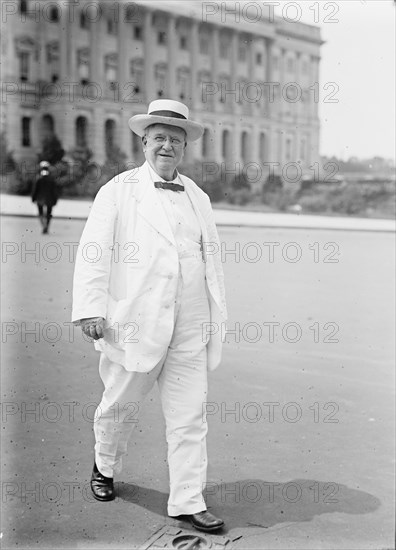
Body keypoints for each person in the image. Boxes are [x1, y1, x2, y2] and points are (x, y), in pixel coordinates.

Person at [71, 99, 227, 533]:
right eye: (159, 138)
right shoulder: (118, 190)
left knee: (190, 415)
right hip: (133, 321)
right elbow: (94, 253)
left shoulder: (197, 196)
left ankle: (188, 500)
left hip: (190, 322)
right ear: (144, 142)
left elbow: (208, 259)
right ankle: (104, 467)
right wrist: (89, 310)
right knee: (120, 405)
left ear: (184, 147)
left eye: (175, 140)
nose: (167, 146)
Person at [31, 160, 58, 234]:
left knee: (40, 213)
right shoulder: (51, 179)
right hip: (50, 199)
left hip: (40, 199)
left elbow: (35, 190)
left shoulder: (38, 179)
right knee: (49, 213)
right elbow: (55, 191)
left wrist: (33, 198)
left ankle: (44, 225)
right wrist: (55, 199)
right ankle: (47, 226)